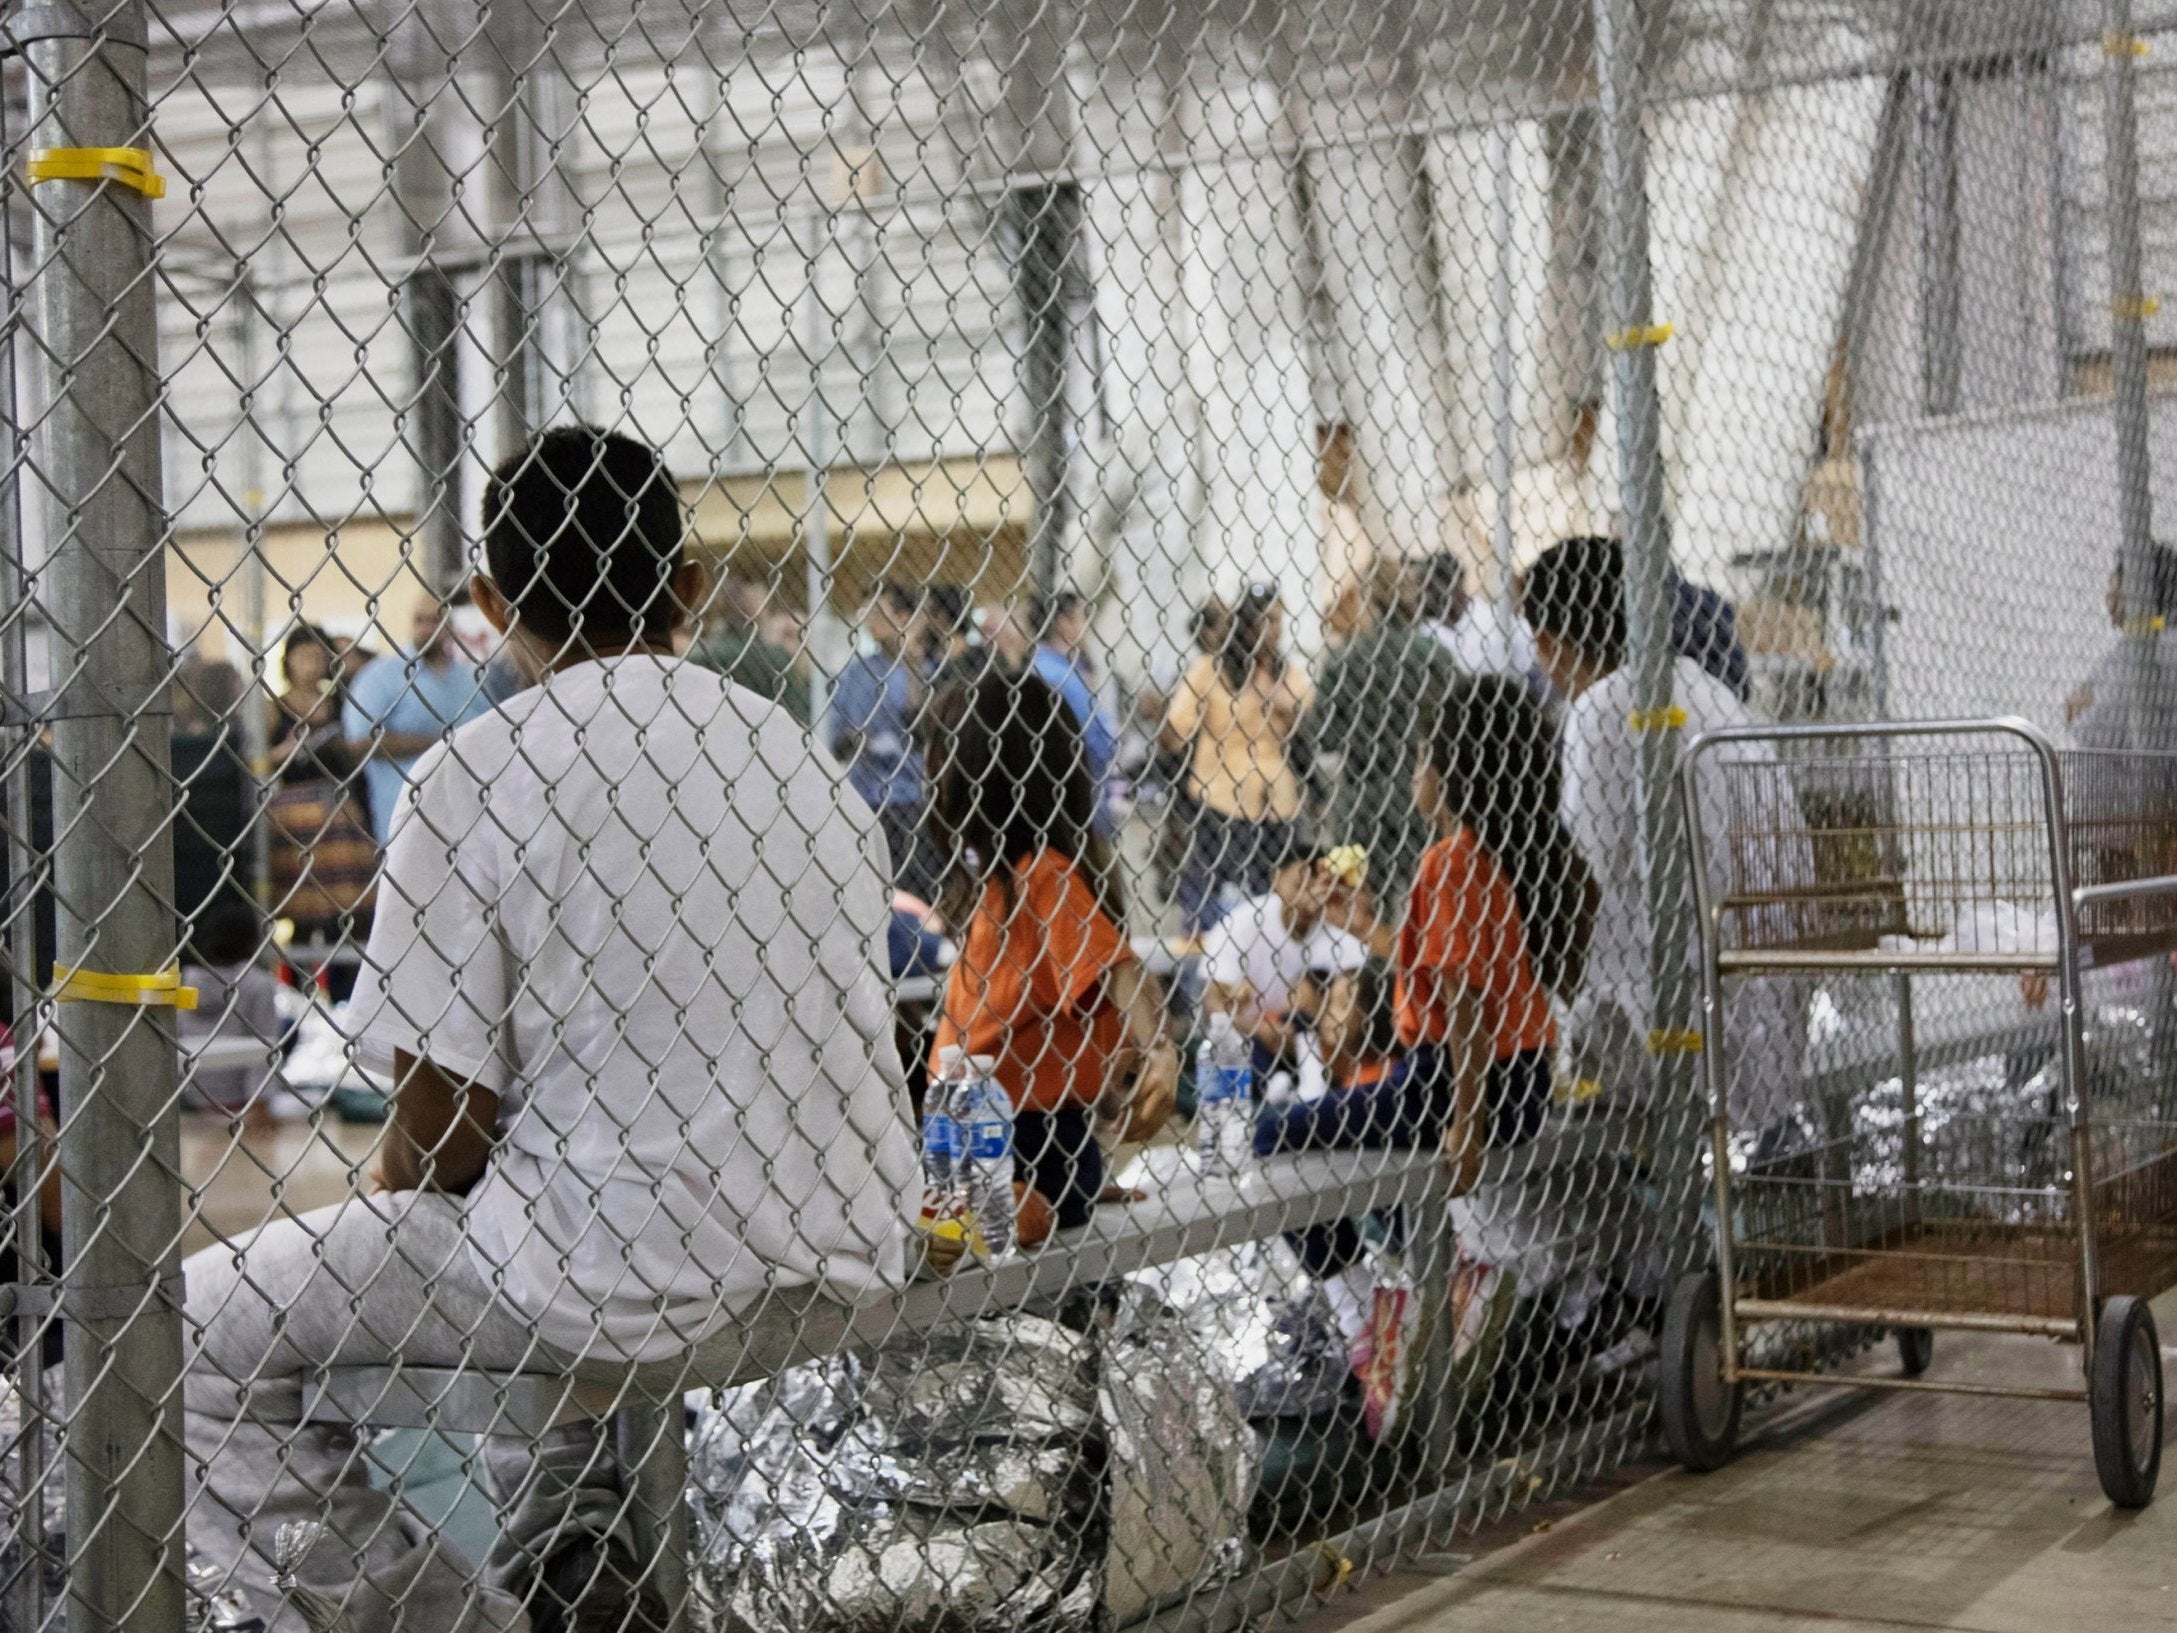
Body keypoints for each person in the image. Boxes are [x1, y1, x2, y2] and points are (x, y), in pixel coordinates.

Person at [183, 425, 922, 1633]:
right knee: (550, 1202)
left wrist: (409, 1209)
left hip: (618, 1275)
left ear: (489, 601)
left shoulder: (474, 771)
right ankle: (573, 1542)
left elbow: (437, 1130)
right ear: (686, 585)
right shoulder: (797, 757)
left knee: (188, 1347)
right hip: (845, 1240)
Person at [1522, 535, 1805, 1131]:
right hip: (1763, 1023)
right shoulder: (1711, 692)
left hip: (1678, 1043)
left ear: (1548, 643)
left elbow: (1580, 889)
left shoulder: (1600, 709)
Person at [926, 669, 1177, 1228]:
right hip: (996, 1135)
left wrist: (1160, 1048)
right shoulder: (1007, 882)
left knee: (972, 1241)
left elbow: (1119, 969)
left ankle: (1007, 1212)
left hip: (1018, 1143)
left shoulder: (1044, 877)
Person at [1306, 559, 1464, 906]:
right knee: (1427, 901)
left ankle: (1368, 959)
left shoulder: (1345, 659)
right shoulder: (1434, 656)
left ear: (1367, 599)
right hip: (1421, 794)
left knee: (1357, 903)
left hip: (1360, 798)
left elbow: (1324, 737)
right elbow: (1459, 725)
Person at [1162, 586, 1314, 933]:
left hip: (1277, 805)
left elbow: (1306, 716)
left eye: (1279, 621)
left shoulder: (1285, 673)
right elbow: (1176, 731)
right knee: (1216, 906)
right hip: (1221, 802)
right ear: (1246, 624)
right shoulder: (1210, 669)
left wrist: (1277, 701)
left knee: (1274, 903)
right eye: (1267, 621)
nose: (1275, 630)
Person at [1200, 837, 1379, 1074]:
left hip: (1320, 1047)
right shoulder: (1242, 924)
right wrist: (1261, 1031)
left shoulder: (1336, 923)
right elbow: (1214, 1001)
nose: (1308, 901)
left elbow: (1360, 1000)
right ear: (1276, 878)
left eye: (1317, 889)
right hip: (1251, 1042)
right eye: (1299, 887)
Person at [266, 625, 378, 993]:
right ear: (289, 661)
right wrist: (282, 753)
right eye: (304, 657)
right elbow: (256, 762)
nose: (312, 666)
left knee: (344, 915)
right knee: (301, 917)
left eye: (318, 657)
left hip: (338, 814)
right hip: (294, 818)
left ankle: (344, 995)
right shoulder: (273, 708)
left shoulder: (340, 703)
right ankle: (296, 994)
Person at [341, 593, 494, 845]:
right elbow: (360, 741)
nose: (426, 629)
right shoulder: (381, 676)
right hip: (404, 817)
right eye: (419, 620)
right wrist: (440, 744)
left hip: (469, 816)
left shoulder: (468, 679)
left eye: (434, 621)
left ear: (450, 627)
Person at [826, 579, 940, 899]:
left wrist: (913, 660)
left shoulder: (925, 671)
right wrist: (856, 739)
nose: (868, 619)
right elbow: (836, 739)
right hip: (867, 799)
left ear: (903, 618)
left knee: (916, 892)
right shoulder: (857, 672)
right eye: (865, 611)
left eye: (878, 611)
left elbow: (921, 729)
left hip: (910, 798)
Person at [177, 889, 293, 1118]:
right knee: (289, 1026)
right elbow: (264, 1043)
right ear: (252, 943)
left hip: (189, 1092)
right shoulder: (257, 984)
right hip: (240, 1095)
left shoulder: (185, 979)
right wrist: (261, 1105)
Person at [1030, 590, 1119, 831]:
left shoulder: (1046, 665)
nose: (1086, 626)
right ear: (1064, 622)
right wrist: (1112, 745)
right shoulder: (1060, 675)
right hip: (1078, 784)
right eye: (1081, 617)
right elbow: (1093, 733)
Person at [690, 570, 811, 725]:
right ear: (752, 609)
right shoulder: (774, 657)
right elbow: (800, 711)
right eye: (765, 603)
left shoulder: (702, 653)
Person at [1416, 554, 1539, 686]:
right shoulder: (1428, 633)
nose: (1425, 596)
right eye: (1422, 588)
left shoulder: (1492, 618)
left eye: (1430, 587)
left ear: (1454, 582)